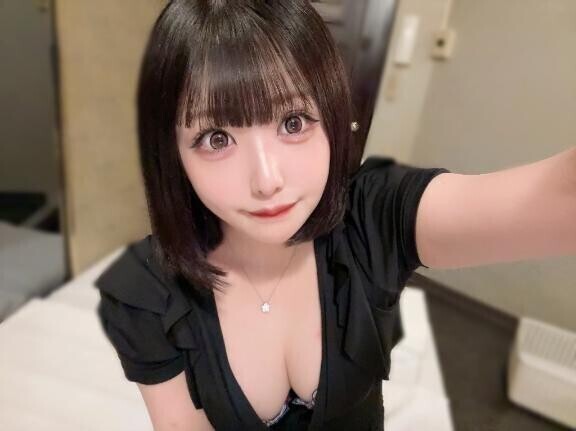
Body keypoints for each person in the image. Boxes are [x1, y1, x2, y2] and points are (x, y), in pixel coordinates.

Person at [94, 1, 576, 430]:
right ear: (172, 154)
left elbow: (557, 198)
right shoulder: (145, 292)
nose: (266, 180)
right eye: (217, 138)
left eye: (293, 122)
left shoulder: (372, 219)